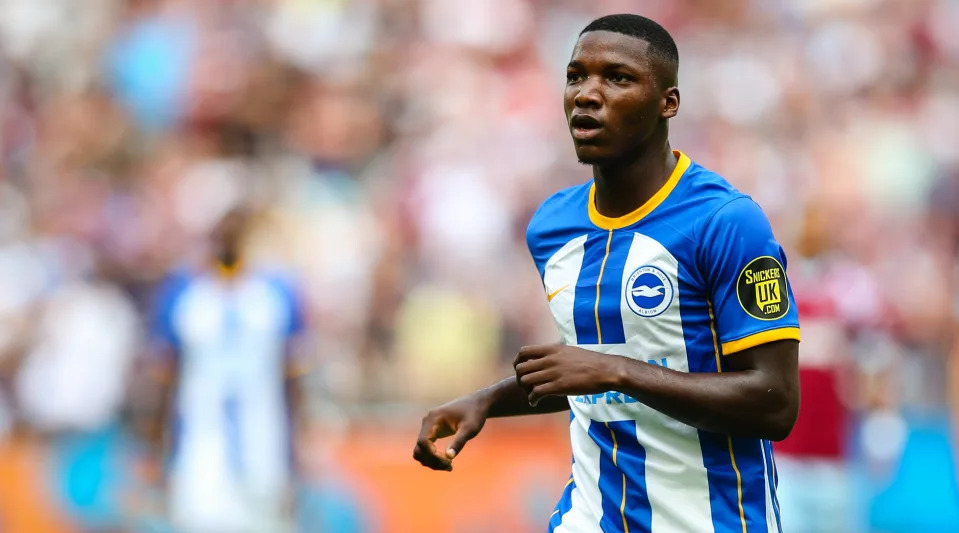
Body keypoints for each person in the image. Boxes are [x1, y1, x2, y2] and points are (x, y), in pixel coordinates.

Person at [413, 14, 800, 533]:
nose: (587, 94)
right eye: (576, 76)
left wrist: (616, 370)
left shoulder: (726, 221)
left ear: (669, 102)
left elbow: (775, 404)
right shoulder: (553, 226)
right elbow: (587, 379)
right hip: (591, 518)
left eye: (618, 78)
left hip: (714, 520)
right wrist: (487, 400)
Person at [148, 208, 308, 533]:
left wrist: (296, 454)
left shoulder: (276, 294)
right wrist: (160, 453)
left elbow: (292, 380)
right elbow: (165, 380)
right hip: (201, 445)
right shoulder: (184, 293)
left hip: (263, 443)